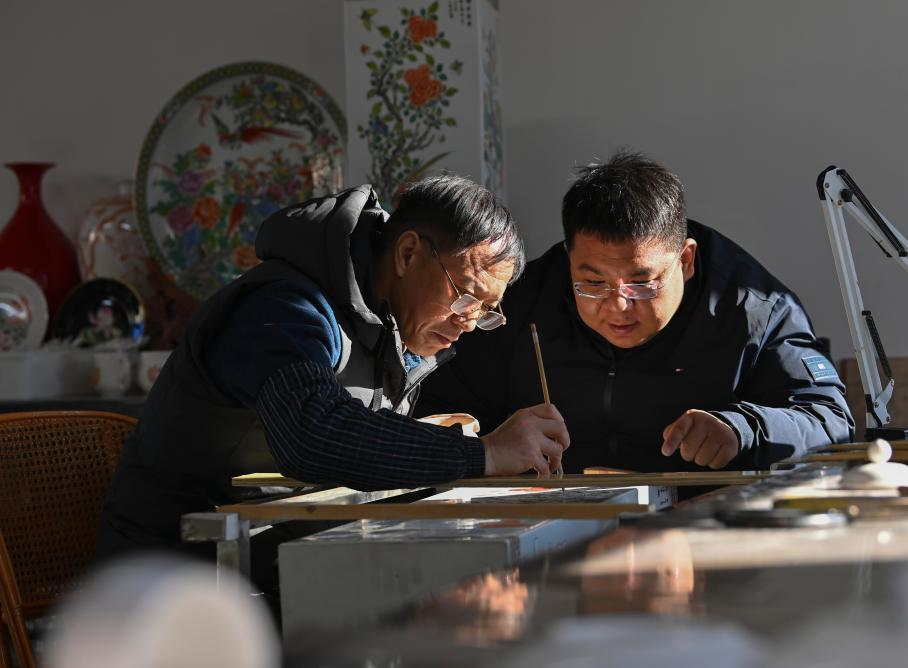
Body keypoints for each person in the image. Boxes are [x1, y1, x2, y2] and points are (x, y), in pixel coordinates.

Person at [97, 175, 569, 559]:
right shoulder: (284, 310)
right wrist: (484, 454)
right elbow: (313, 433)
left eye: (485, 311)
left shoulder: (391, 327)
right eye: (465, 296)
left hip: (288, 553)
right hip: (182, 572)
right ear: (407, 254)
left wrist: (435, 439)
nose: (467, 322)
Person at [418, 152, 853, 472]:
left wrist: (744, 430)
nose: (618, 305)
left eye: (642, 283)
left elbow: (829, 418)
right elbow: (438, 408)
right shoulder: (520, 301)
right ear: (569, 258)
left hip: (699, 535)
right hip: (548, 530)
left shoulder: (752, 308)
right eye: (592, 283)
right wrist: (485, 443)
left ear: (686, 259)